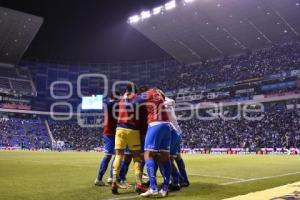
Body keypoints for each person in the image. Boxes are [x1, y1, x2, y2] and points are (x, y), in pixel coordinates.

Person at [133, 88, 172, 197]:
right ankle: (165, 188)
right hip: (167, 125)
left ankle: (153, 188)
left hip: (155, 124)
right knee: (165, 157)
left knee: (148, 155)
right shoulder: (158, 93)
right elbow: (164, 97)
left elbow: (135, 101)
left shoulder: (146, 94)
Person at [111, 83, 147, 194]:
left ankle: (114, 181)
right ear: (135, 91)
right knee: (136, 158)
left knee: (118, 156)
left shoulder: (120, 99)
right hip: (133, 130)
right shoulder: (138, 98)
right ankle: (139, 183)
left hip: (119, 129)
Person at [94, 91, 119, 186]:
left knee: (115, 155)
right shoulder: (113, 104)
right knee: (110, 155)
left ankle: (110, 177)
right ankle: (100, 178)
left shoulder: (106, 103)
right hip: (112, 132)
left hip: (109, 131)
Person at [164, 97, 190, 189]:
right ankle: (185, 180)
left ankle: (178, 180)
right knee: (178, 158)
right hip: (177, 131)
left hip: (171, 133)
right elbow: (173, 103)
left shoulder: (160, 105)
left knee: (167, 159)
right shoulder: (170, 101)